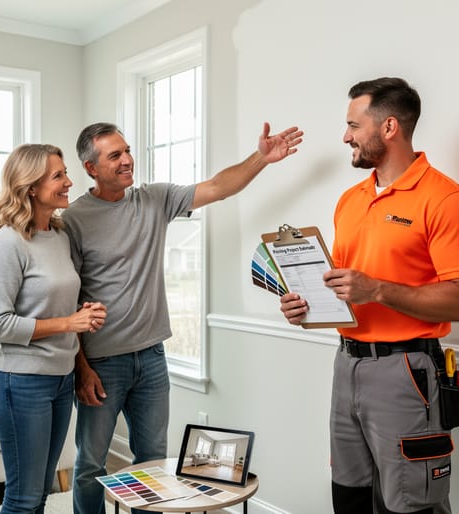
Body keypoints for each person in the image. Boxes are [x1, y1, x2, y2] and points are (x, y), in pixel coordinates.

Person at [64, 121, 303, 514]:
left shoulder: (154, 199)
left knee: (153, 463)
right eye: (114, 155)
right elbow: (67, 301)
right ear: (91, 167)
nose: (127, 160)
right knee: (91, 464)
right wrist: (81, 368)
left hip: (152, 360)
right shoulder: (74, 219)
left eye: (127, 150)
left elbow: (218, 187)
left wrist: (261, 157)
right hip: (102, 364)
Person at [280, 78, 459, 514]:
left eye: (353, 125)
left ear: (389, 127)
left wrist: (377, 289)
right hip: (346, 365)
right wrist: (306, 308)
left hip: (406, 373)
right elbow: (343, 288)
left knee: (411, 504)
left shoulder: (447, 200)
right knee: (349, 496)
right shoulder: (349, 200)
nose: (346, 136)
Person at [0, 143, 108, 514]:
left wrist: (79, 314)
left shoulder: (58, 236)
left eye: (66, 173)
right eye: (58, 176)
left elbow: (55, 303)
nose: (70, 181)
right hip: (21, 384)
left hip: (60, 379)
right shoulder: (8, 244)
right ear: (31, 186)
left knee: (40, 494)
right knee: (22, 499)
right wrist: (69, 322)